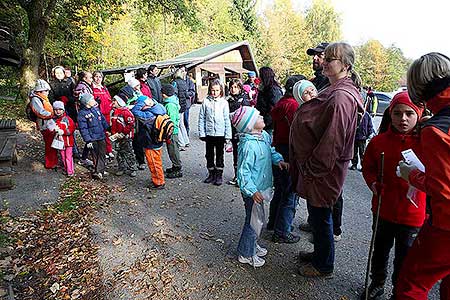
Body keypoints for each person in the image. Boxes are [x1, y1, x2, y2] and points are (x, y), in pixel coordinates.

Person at [290, 42, 362, 278]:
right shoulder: (334, 89)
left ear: (346, 66)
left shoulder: (341, 96)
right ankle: (320, 254)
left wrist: (313, 168)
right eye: (325, 57)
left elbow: (333, 140)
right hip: (320, 168)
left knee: (321, 217)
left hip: (323, 170)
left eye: (330, 59)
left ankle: (324, 265)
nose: (324, 61)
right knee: (317, 215)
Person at [395, 52, 450, 300]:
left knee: (412, 284)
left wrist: (412, 175)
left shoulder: (436, 130)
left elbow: (443, 189)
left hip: (445, 226)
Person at [361, 92, 426, 300]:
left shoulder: (427, 142)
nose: (403, 119)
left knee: (405, 258)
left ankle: (399, 292)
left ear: (419, 114)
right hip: (383, 208)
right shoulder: (378, 142)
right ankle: (377, 283)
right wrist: (373, 183)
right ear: (390, 115)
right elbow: (368, 167)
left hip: (413, 214)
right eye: (397, 113)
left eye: (409, 113)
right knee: (380, 251)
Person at [231, 105, 288, 267]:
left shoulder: (263, 136)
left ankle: (251, 245)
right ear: (249, 125)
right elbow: (243, 173)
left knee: (258, 220)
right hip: (252, 191)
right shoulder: (248, 146)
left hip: (260, 187)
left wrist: (279, 160)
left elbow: (270, 151)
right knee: (253, 222)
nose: (262, 116)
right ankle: (245, 253)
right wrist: (252, 191)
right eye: (257, 116)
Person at [268, 75, 304, 244]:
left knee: (280, 190)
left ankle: (273, 222)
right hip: (289, 151)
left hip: (279, 148)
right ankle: (282, 230)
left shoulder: (281, 103)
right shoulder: (294, 106)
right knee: (290, 192)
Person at [198, 79, 232, 186]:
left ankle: (219, 175)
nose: (214, 93)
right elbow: (201, 118)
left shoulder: (224, 103)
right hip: (209, 133)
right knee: (209, 154)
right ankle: (211, 173)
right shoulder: (206, 102)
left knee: (220, 154)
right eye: (213, 90)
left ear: (221, 90)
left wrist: (228, 135)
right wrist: (202, 133)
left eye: (217, 90)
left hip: (220, 134)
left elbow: (227, 119)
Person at [132, 97, 167, 189]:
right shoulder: (159, 108)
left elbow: (134, 111)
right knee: (157, 161)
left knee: (153, 163)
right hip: (157, 140)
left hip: (150, 142)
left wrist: (141, 103)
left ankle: (159, 182)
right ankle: (158, 179)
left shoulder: (148, 115)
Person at [77, 93, 110, 179]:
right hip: (92, 138)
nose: (94, 101)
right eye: (92, 99)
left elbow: (102, 120)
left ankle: (101, 170)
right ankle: (98, 171)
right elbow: (83, 128)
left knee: (102, 153)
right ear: (87, 102)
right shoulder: (82, 114)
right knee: (95, 154)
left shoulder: (96, 109)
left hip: (101, 135)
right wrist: (88, 140)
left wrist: (108, 129)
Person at [226, 79, 250, 185]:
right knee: (235, 154)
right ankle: (236, 176)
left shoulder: (244, 100)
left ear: (240, 88)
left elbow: (247, 115)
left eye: (236, 87)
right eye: (231, 87)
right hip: (232, 131)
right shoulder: (228, 100)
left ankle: (243, 177)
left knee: (243, 154)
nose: (233, 89)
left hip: (242, 131)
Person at [29, 79, 56, 169]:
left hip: (49, 123)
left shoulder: (43, 98)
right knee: (49, 145)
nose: (48, 92)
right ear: (40, 90)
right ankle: (50, 163)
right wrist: (52, 114)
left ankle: (53, 162)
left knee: (53, 143)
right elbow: (40, 112)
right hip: (45, 125)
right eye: (46, 90)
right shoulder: (36, 99)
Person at [110, 94, 137, 177]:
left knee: (128, 152)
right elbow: (113, 124)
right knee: (119, 152)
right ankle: (121, 167)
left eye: (115, 101)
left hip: (125, 137)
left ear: (120, 102)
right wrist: (110, 131)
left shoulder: (126, 113)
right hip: (116, 136)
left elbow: (130, 125)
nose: (113, 102)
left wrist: (123, 133)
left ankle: (132, 167)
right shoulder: (114, 112)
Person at [161, 84, 183, 179]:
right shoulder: (171, 102)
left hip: (172, 131)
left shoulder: (170, 105)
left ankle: (177, 168)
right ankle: (175, 166)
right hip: (171, 131)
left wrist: (168, 132)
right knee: (172, 149)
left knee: (173, 150)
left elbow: (172, 120)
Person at [74, 71, 95, 167]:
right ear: (84, 78)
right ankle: (84, 157)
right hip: (86, 114)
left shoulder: (85, 86)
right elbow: (84, 101)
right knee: (89, 136)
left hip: (88, 112)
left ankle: (86, 156)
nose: (92, 79)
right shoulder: (81, 87)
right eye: (90, 77)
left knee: (91, 136)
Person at [92, 71, 114, 158]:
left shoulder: (104, 88)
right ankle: (102, 151)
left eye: (100, 77)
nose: (98, 79)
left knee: (107, 132)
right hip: (98, 114)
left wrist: (110, 107)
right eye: (96, 76)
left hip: (107, 113)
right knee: (99, 132)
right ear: (93, 78)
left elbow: (109, 99)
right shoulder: (92, 88)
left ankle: (109, 150)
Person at [255, 67, 283, 133]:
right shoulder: (264, 89)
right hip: (264, 122)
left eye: (260, 75)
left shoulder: (273, 90)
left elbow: (274, 109)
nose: (259, 78)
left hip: (270, 126)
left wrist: (265, 124)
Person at [53, 101, 76, 176]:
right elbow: (52, 130)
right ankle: (66, 169)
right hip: (60, 142)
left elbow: (71, 129)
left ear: (63, 110)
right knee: (63, 156)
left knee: (68, 157)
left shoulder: (67, 119)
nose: (58, 111)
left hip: (69, 142)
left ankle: (70, 171)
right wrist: (55, 131)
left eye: (60, 109)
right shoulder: (54, 120)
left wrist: (64, 131)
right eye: (56, 110)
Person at [172, 67, 190, 148]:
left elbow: (174, 94)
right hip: (183, 105)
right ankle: (186, 141)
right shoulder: (184, 82)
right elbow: (186, 95)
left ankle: (181, 143)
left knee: (177, 124)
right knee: (182, 124)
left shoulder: (175, 83)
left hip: (177, 105)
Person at [184, 72, 196, 136]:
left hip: (186, 103)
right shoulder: (175, 80)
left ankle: (186, 133)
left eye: (183, 71)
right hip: (178, 104)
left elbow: (192, 92)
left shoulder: (189, 81)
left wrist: (185, 94)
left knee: (185, 119)